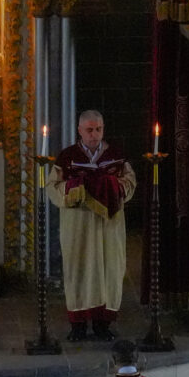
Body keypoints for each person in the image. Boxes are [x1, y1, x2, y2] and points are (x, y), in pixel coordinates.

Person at [47, 110, 137, 341]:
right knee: (79, 270)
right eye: (89, 130)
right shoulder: (67, 157)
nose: (94, 134)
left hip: (109, 227)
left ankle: (102, 324)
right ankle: (78, 325)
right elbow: (53, 187)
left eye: (98, 129)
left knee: (109, 270)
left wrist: (111, 185)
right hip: (79, 227)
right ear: (80, 130)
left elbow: (130, 182)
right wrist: (76, 187)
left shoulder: (116, 156)